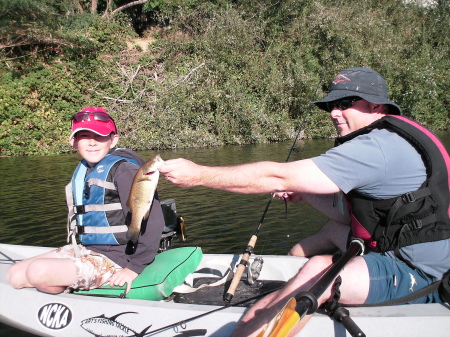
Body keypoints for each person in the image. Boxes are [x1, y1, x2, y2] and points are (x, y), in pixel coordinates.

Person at [158, 67, 450, 336]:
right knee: (326, 235)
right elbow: (352, 220)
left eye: (346, 103)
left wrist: (198, 174)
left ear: (376, 106)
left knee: (318, 268)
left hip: (422, 272)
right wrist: (305, 193)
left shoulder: (375, 148)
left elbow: (277, 177)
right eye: (331, 106)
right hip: (397, 246)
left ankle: (258, 322)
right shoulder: (392, 136)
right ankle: (289, 277)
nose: (335, 112)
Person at [7, 107, 165, 295]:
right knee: (15, 275)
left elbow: (153, 220)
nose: (92, 142)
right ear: (73, 142)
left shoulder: (124, 170)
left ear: (113, 140)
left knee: (37, 271)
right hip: (86, 249)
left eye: (100, 136)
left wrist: (134, 268)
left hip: (117, 257)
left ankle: (73, 293)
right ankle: (69, 281)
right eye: (84, 136)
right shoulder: (86, 169)